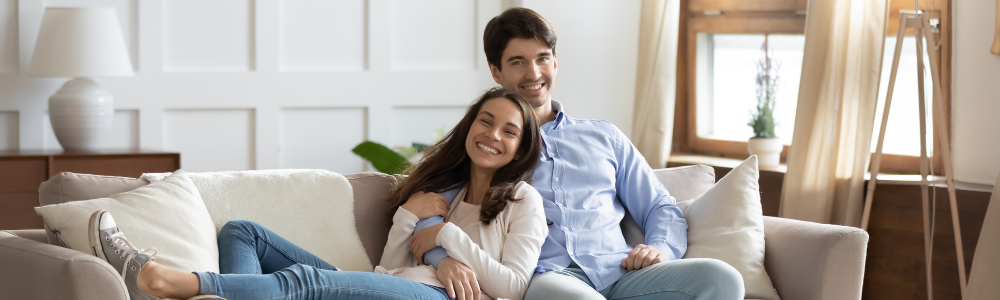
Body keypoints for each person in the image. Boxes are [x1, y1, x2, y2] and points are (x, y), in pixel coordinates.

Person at [87, 87, 547, 300]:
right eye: (486, 121)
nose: (493, 135)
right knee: (242, 232)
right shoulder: (444, 192)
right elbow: (388, 267)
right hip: (395, 286)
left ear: (521, 147)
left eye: (509, 131)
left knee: (308, 282)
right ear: (470, 126)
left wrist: (447, 238)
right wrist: (409, 215)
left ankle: (165, 281)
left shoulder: (524, 203)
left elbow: (513, 285)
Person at [411, 8, 745, 300]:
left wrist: (659, 248)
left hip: (623, 272)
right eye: (518, 62)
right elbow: (430, 211)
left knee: (722, 278)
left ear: (555, 62)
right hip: (548, 280)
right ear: (496, 72)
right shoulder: (489, 142)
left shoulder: (604, 136)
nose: (534, 73)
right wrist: (445, 260)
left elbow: (659, 206)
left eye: (542, 58)